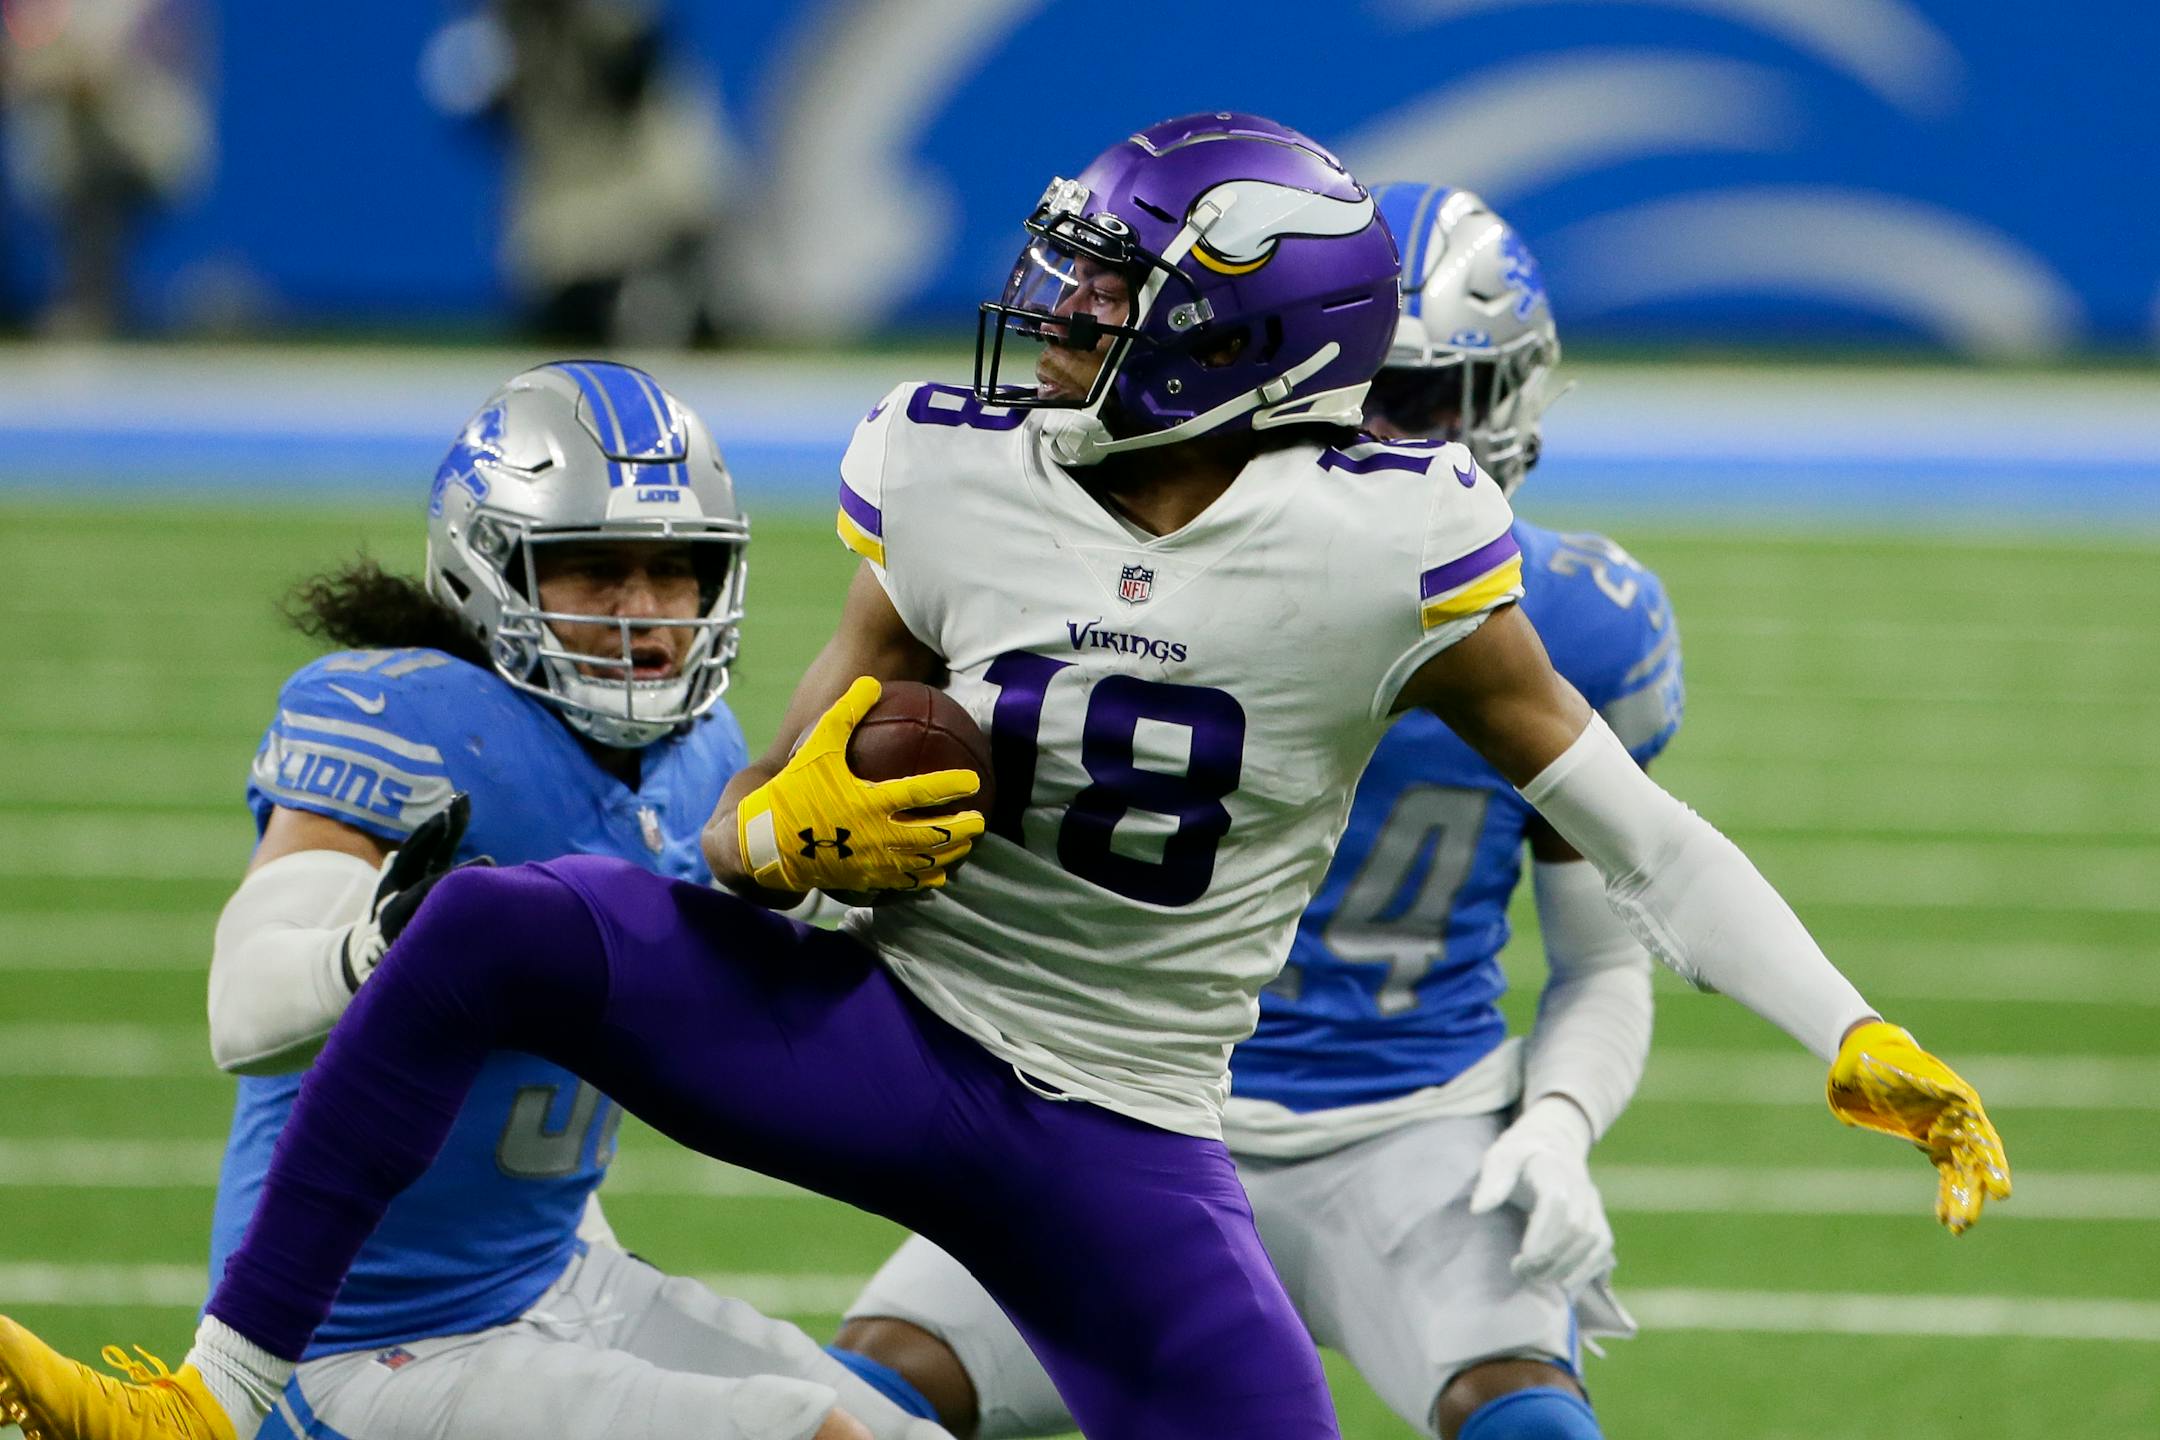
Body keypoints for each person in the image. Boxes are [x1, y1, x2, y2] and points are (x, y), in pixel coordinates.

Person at [0, 114, 2008, 1440]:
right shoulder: (953, 468)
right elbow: (754, 803)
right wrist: (789, 834)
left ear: (1242, 340)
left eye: (1114, 293)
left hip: (1127, 1133)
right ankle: (225, 1395)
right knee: (510, 932)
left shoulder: (1391, 548)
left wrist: (1852, 1027)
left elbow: (1639, 848)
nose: (1059, 315)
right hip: (885, 1027)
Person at [831, 186, 1670, 1440]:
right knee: (848, 1406)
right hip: (1117, 1108)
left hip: (1412, 1136)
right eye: (1357, 393)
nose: (1385, 437)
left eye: (1423, 400)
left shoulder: (1584, 625)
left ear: (1509, 405)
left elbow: (1608, 955)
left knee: (1528, 1424)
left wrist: (1554, 1126)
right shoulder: (1097, 570)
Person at [22, 360, 940, 1440]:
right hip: (354, 1343)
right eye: (597, 571)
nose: (645, 613)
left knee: (897, 1428)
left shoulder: (707, 755)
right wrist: (375, 949)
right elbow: (244, 1009)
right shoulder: (407, 721)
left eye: (675, 571)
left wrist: (831, 898)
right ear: (489, 570)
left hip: (549, 1273)